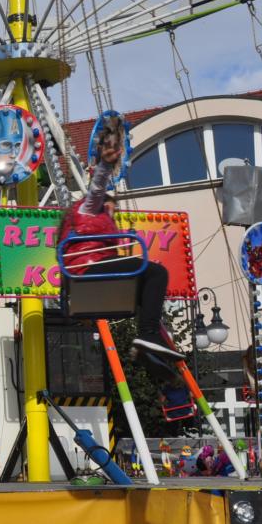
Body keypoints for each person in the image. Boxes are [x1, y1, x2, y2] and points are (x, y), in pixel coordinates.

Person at [59, 139, 180, 363]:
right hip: (87, 268)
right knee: (156, 272)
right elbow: (97, 188)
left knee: (144, 289)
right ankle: (148, 334)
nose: (113, 214)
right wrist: (106, 164)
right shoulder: (88, 208)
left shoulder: (99, 223)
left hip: (91, 268)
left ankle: (149, 347)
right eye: (111, 208)